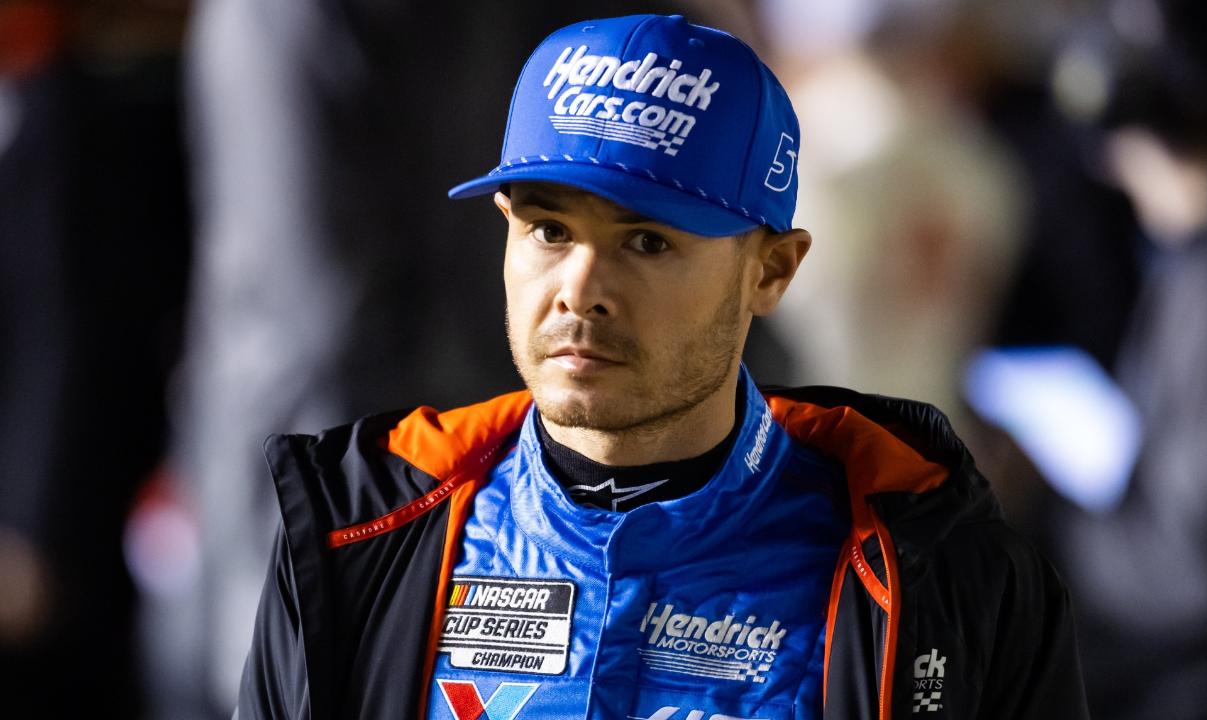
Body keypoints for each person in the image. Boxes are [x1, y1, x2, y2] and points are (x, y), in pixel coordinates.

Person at [235, 14, 1088, 720]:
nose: (581, 291)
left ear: (773, 270)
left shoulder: (947, 577)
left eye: (646, 241)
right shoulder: (354, 539)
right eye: (548, 230)